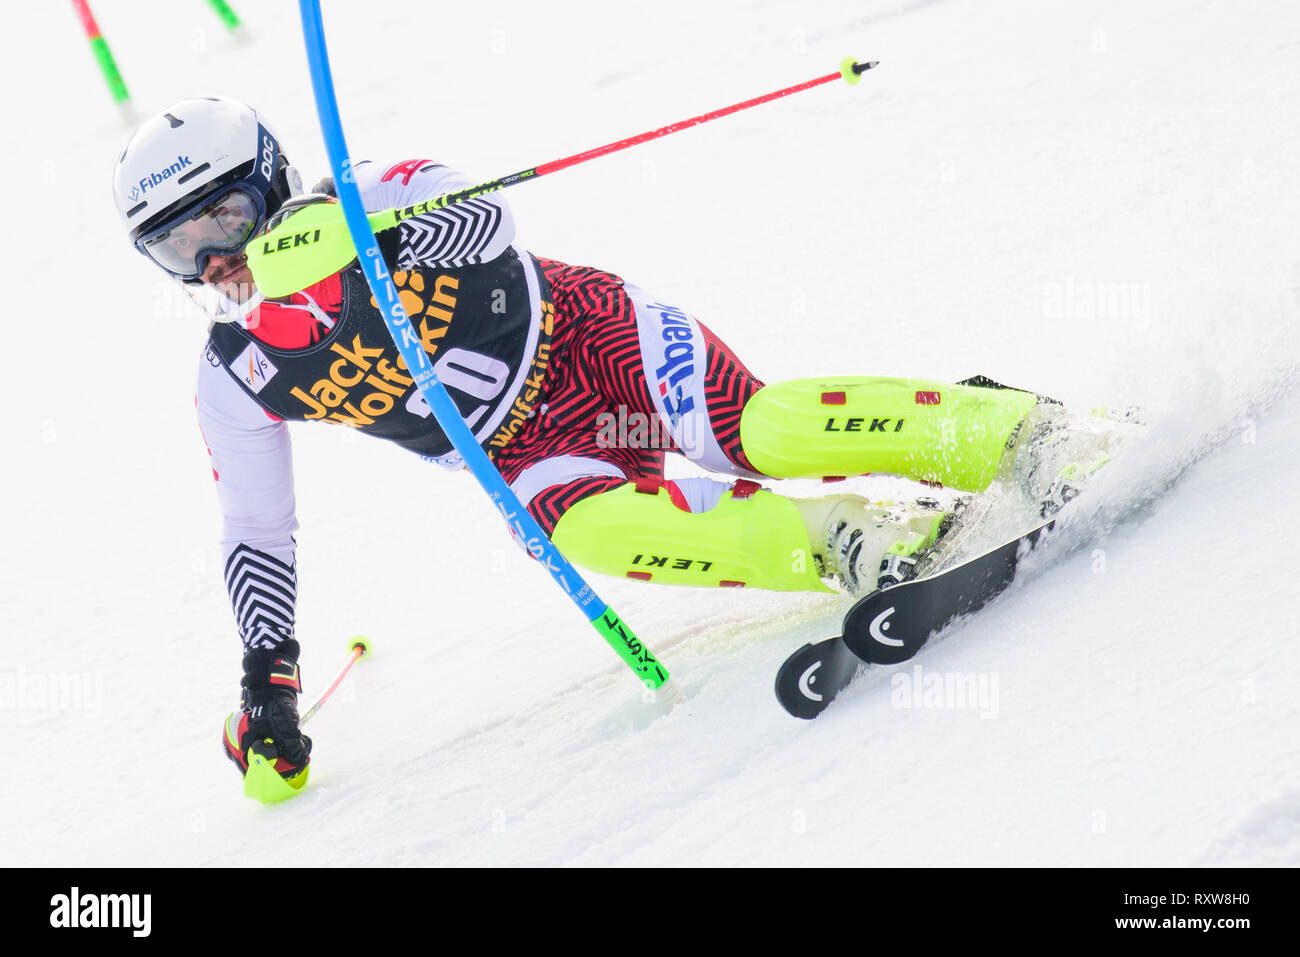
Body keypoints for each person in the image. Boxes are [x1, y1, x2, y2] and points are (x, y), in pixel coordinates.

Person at [113, 96, 1122, 786]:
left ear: (271, 179)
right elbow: (257, 527)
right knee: (585, 535)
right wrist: (268, 684)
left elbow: (486, 215)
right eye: (177, 245)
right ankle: (865, 540)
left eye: (228, 216)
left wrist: (358, 234)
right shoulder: (235, 376)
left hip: (596, 342)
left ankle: (1017, 432)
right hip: (524, 451)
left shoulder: (360, 190)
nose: (216, 259)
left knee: (757, 431)